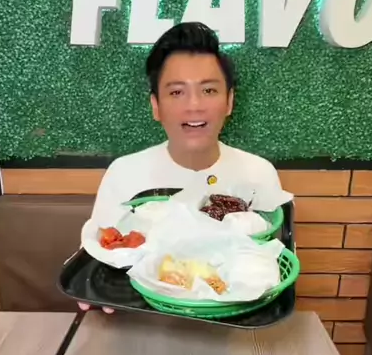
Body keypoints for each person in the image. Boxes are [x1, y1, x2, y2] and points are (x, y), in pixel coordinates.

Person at [79, 21, 290, 314]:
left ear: (229, 101)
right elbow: (103, 252)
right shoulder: (124, 174)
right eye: (177, 92)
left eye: (209, 90)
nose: (194, 106)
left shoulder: (258, 174)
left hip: (232, 323)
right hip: (144, 321)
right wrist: (95, 288)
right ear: (156, 106)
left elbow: (271, 269)